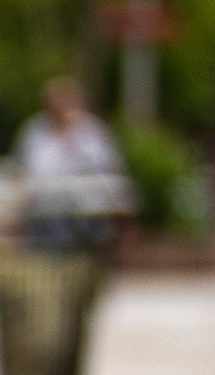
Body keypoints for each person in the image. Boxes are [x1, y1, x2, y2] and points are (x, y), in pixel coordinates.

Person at [11, 74, 130, 246]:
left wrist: (72, 134)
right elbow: (21, 166)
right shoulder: (35, 129)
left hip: (87, 207)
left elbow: (105, 165)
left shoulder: (91, 130)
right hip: (43, 206)